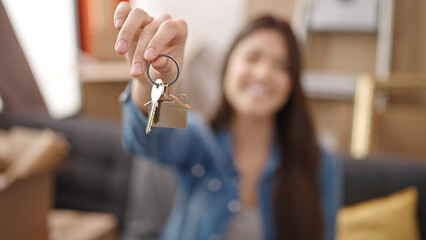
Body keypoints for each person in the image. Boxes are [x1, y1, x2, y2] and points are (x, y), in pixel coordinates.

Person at [115, 2, 341, 240]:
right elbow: (153, 141)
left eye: (282, 66)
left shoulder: (320, 163)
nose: (264, 73)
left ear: (293, 83)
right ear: (227, 66)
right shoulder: (198, 138)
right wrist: (155, 85)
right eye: (252, 57)